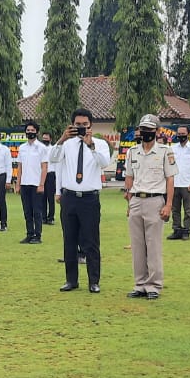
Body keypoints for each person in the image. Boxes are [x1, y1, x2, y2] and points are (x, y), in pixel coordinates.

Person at [50, 108, 113, 293]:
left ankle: (94, 281)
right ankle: (71, 280)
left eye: (85, 125)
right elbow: (53, 159)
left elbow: (104, 163)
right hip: (70, 197)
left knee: (91, 241)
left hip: (89, 199)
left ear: (91, 125)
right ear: (72, 125)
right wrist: (61, 139)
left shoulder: (99, 144)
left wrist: (91, 144)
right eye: (78, 125)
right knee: (69, 240)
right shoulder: (66, 144)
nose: (81, 128)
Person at [122, 114, 175, 299]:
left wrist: (168, 204)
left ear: (157, 131)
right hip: (136, 200)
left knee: (153, 246)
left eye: (149, 130)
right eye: (143, 129)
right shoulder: (132, 152)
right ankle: (140, 284)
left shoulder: (165, 152)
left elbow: (170, 179)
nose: (145, 133)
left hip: (155, 200)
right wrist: (129, 201)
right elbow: (129, 177)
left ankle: (154, 286)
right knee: (137, 246)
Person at [17, 121, 49, 244]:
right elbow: (20, 167)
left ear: (37, 132)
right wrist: (18, 183)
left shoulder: (41, 148)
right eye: (28, 130)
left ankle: (38, 235)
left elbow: (44, 167)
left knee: (37, 211)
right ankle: (29, 234)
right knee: (27, 211)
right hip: (25, 183)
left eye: (32, 130)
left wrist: (41, 184)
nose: (30, 132)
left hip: (36, 184)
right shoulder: (22, 148)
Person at [168, 126, 190, 240]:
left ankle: (186, 231)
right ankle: (176, 230)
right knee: (175, 209)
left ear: (188, 134)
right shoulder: (172, 148)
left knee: (188, 210)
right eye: (179, 133)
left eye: (183, 133)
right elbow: (169, 165)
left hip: (187, 184)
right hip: (175, 183)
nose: (180, 135)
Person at [40, 130, 57, 223]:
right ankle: (43, 217)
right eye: (43, 139)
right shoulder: (39, 149)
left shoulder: (53, 149)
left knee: (50, 197)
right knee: (42, 197)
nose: (45, 140)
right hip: (42, 174)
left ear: (50, 139)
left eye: (47, 139)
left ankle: (51, 217)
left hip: (50, 174)